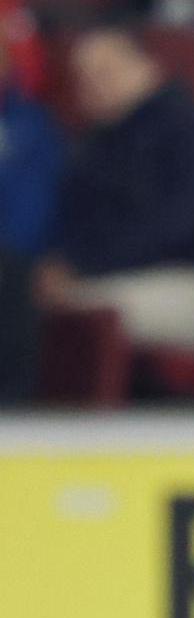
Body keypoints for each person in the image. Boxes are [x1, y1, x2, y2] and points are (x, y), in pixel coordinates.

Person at [38, 25, 194, 367]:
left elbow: (183, 225)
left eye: (106, 70)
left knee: (80, 311)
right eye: (83, 77)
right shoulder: (93, 147)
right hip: (104, 276)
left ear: (147, 67)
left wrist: (85, 265)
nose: (94, 84)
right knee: (28, 301)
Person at [0, 27, 60, 402]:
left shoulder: (30, 125)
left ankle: (13, 404)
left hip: (12, 254)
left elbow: (33, 206)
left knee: (13, 272)